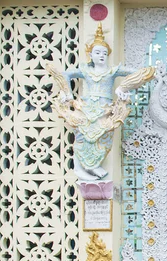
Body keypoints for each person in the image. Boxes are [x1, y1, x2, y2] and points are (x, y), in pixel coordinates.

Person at [45, 23, 154, 181]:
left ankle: (93, 166)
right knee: (81, 136)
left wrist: (123, 88)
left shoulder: (111, 71)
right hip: (86, 108)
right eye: (97, 52)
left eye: (104, 53)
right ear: (91, 54)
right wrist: (67, 93)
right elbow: (66, 75)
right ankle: (79, 169)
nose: (101, 55)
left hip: (104, 110)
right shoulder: (85, 70)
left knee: (105, 137)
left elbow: (137, 73)